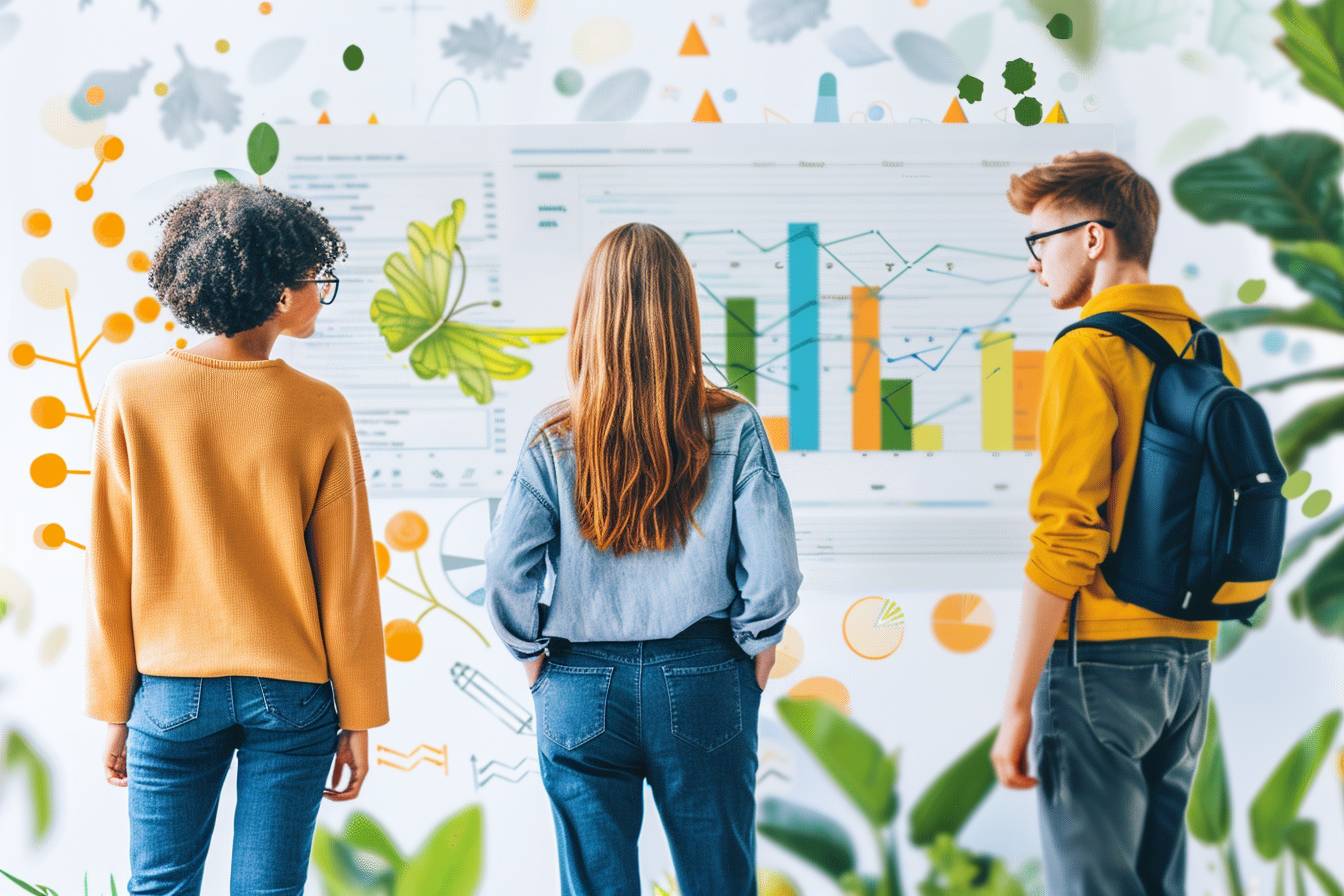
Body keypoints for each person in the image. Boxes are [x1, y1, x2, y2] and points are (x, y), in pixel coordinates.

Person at [86, 183, 390, 895]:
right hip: (291, 697)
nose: (321, 291)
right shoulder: (320, 409)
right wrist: (360, 717)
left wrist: (114, 707)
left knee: (158, 887)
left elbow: (110, 563)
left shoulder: (133, 393)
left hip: (167, 690)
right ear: (281, 296)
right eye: (319, 277)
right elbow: (345, 580)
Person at [485, 222, 802, 896]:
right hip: (705, 674)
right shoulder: (735, 425)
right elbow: (773, 569)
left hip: (577, 684)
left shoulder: (552, 435)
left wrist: (531, 655)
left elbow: (508, 571)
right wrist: (758, 641)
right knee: (721, 881)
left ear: (589, 318)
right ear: (683, 316)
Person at [990, 151, 1243, 895]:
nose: (1036, 263)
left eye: (1042, 242)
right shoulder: (1208, 348)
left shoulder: (1086, 349)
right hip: (1187, 664)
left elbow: (1067, 535)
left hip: (1098, 664)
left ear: (1093, 239)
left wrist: (1015, 706)